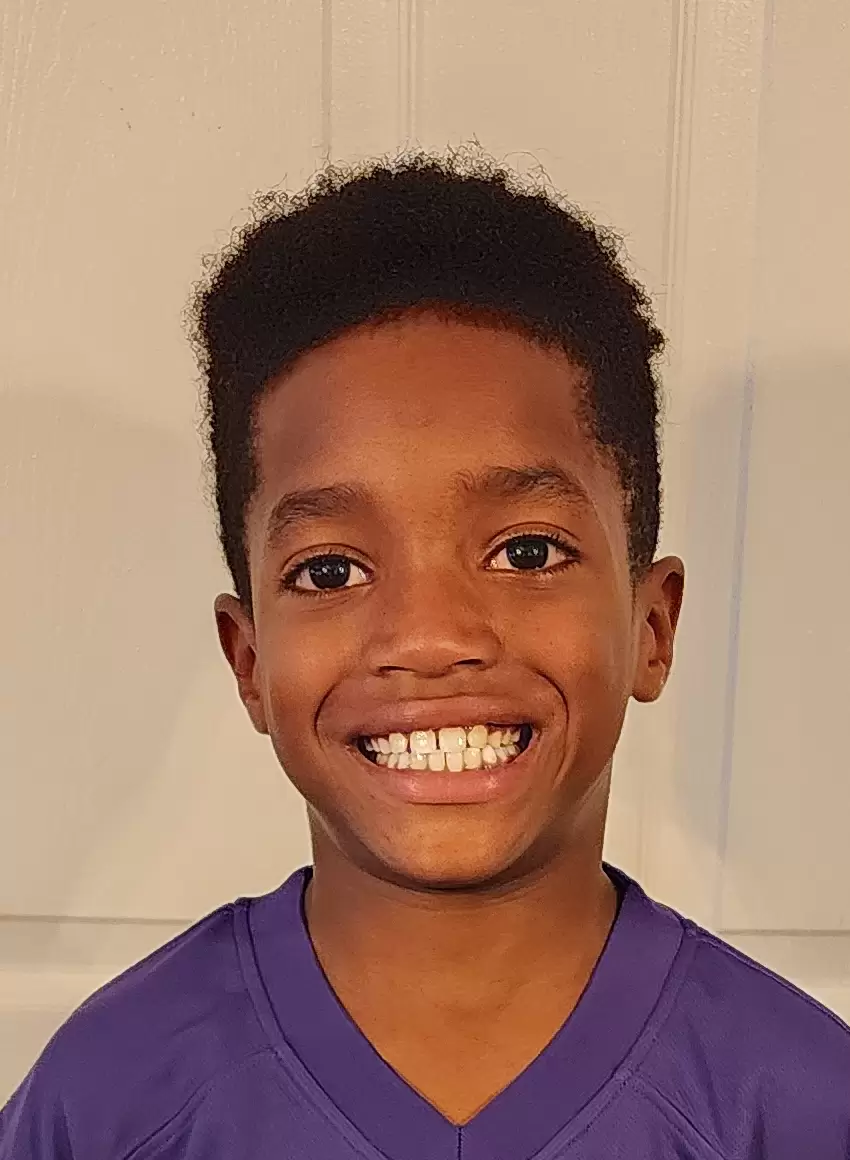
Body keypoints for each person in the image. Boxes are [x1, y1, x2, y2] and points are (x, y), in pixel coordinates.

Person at [2, 151, 848, 1159]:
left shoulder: (799, 1103)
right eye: (330, 570)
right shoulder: (108, 1097)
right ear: (248, 660)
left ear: (651, 627)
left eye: (526, 552)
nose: (430, 636)